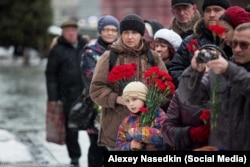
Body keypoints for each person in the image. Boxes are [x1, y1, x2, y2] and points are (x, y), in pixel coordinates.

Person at [89, 14, 167, 150]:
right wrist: (119, 99)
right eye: (126, 32)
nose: (130, 37)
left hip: (148, 128)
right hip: (117, 127)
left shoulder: (152, 57)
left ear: (141, 34)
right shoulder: (109, 57)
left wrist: (150, 101)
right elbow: (96, 89)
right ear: (121, 34)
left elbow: (165, 86)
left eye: (134, 33)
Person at [178, 22, 250, 150]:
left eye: (244, 45)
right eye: (234, 44)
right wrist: (194, 71)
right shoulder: (221, 70)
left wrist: (229, 69)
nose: (237, 49)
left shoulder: (227, 69)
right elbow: (188, 98)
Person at [45, 20, 88, 167]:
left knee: (92, 128)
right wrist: (53, 98)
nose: (71, 33)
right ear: (63, 33)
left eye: (73, 30)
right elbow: (51, 75)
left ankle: (96, 157)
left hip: (86, 94)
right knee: (71, 129)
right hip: (67, 95)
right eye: (67, 31)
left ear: (77, 31)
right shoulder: (57, 50)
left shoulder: (86, 46)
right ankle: (75, 158)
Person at [81, 15, 119, 167]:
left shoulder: (120, 51)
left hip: (116, 106)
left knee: (114, 147)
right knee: (97, 147)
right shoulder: (90, 52)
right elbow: (91, 79)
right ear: (100, 31)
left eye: (113, 30)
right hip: (96, 107)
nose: (110, 33)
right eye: (106, 29)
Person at [169, 0, 231, 87]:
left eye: (217, 10)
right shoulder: (190, 41)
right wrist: (194, 84)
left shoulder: (235, 40)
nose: (212, 15)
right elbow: (175, 69)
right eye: (208, 11)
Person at [162, 65, 211, 151]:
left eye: (211, 65)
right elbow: (167, 131)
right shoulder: (181, 94)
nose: (206, 70)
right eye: (202, 64)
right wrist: (191, 134)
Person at [115, 81, 166, 151]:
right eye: (127, 101)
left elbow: (163, 137)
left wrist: (139, 132)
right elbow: (118, 145)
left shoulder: (157, 114)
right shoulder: (126, 121)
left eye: (134, 99)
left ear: (144, 98)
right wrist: (129, 146)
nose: (131, 104)